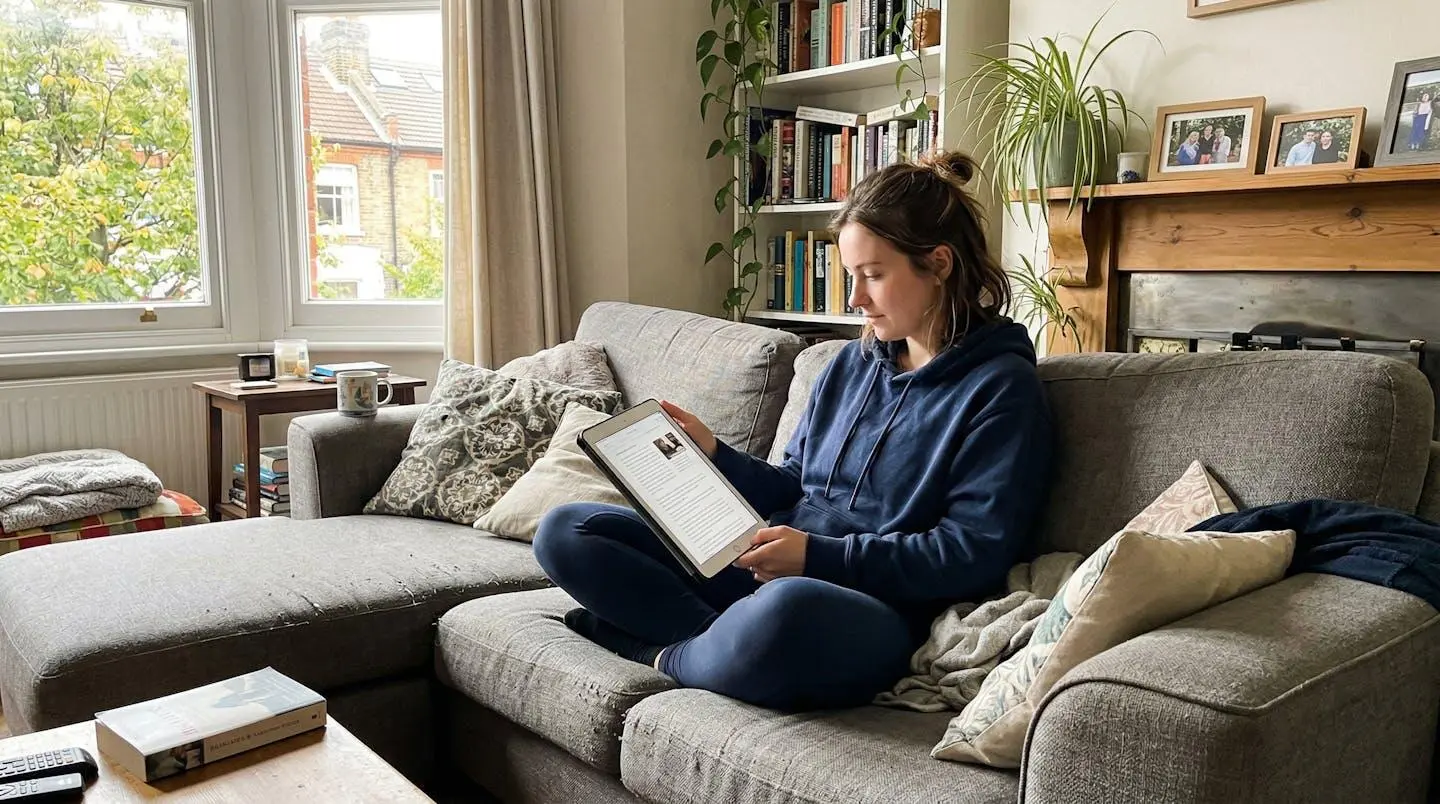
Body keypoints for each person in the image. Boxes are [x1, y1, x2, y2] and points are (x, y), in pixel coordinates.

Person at [532, 151, 1054, 713]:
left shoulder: (1002, 390)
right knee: (567, 530)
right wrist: (714, 454)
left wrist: (817, 558)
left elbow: (970, 552)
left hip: (868, 605)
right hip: (771, 567)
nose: (855, 299)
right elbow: (792, 484)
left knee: (784, 614)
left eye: (873, 275)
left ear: (940, 263)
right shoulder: (849, 365)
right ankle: (716, 648)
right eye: (851, 276)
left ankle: (659, 650)